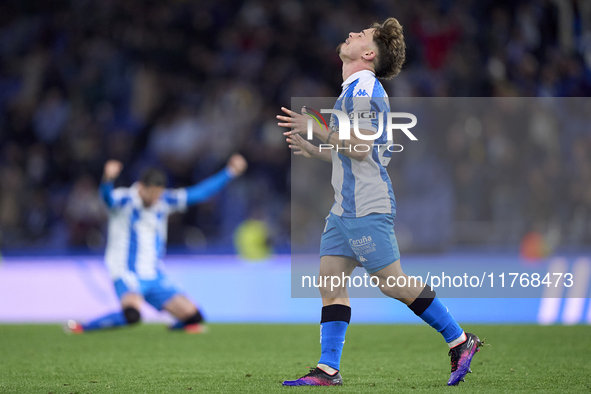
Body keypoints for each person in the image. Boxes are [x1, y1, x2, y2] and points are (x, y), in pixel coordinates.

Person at [277, 18, 481, 386]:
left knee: (392, 283)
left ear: (368, 53)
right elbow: (357, 155)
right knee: (330, 280)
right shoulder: (353, 90)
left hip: (366, 207)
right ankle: (328, 369)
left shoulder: (364, 90)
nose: (353, 33)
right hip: (344, 209)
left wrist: (319, 131)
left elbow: (359, 147)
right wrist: (316, 150)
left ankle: (461, 340)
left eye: (363, 35)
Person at [65, 154, 248, 334]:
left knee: (194, 317)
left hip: (154, 275)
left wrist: (229, 172)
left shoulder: (164, 201)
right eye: (152, 194)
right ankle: (82, 328)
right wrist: (107, 180)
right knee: (132, 315)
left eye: (158, 194)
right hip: (127, 272)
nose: (155, 199)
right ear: (141, 187)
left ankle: (173, 330)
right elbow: (107, 198)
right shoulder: (125, 200)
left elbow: (200, 193)